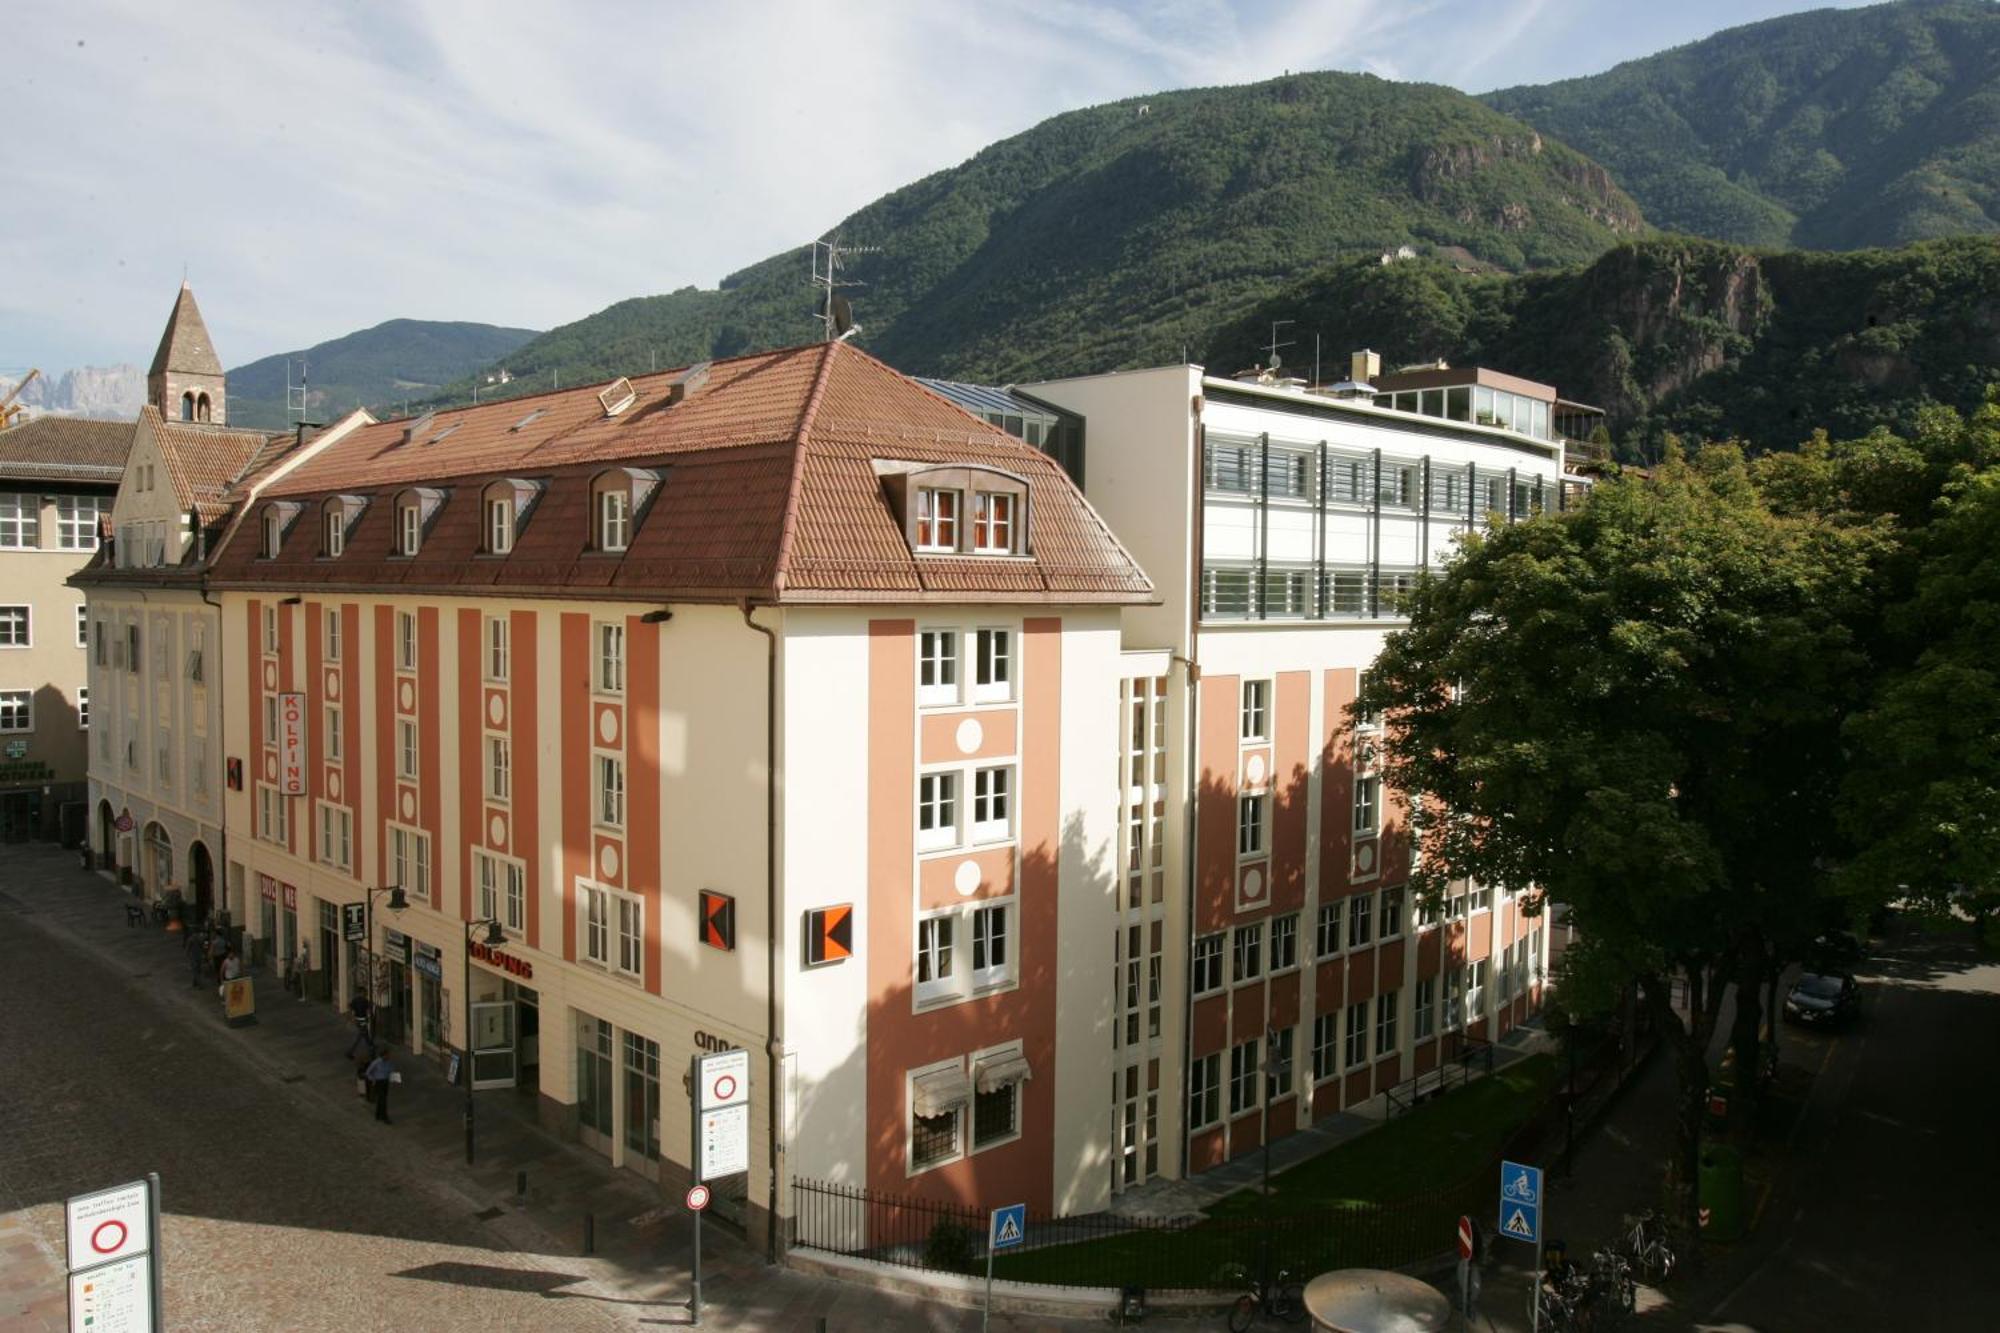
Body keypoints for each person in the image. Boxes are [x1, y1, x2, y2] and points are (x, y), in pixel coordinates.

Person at [365, 1047, 395, 1123]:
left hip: (386, 1082)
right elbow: (368, 1072)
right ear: (383, 1055)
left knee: (382, 1099)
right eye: (387, 1055)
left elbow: (391, 1070)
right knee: (383, 1100)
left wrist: (393, 1077)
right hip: (379, 1082)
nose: (389, 1056)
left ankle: (378, 1115)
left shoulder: (389, 1062)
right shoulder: (376, 1062)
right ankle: (385, 1117)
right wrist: (373, 1079)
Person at [346, 992, 374, 1060]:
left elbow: (350, 1007)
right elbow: (368, 1010)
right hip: (363, 1020)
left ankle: (371, 1046)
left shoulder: (355, 1000)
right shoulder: (365, 1000)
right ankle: (350, 1052)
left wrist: (351, 1017)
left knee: (365, 1034)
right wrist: (369, 1017)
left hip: (357, 1020)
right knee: (360, 1036)